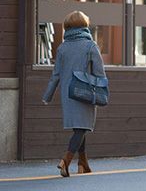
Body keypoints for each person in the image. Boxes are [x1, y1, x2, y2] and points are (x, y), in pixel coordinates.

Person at [42, 11, 106, 177]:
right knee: (82, 127)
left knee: (80, 126)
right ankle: (66, 160)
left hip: (68, 94)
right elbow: (100, 73)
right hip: (85, 92)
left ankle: (83, 163)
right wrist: (102, 90)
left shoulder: (62, 47)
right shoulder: (91, 46)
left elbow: (55, 75)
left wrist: (47, 96)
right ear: (85, 26)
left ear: (67, 27)